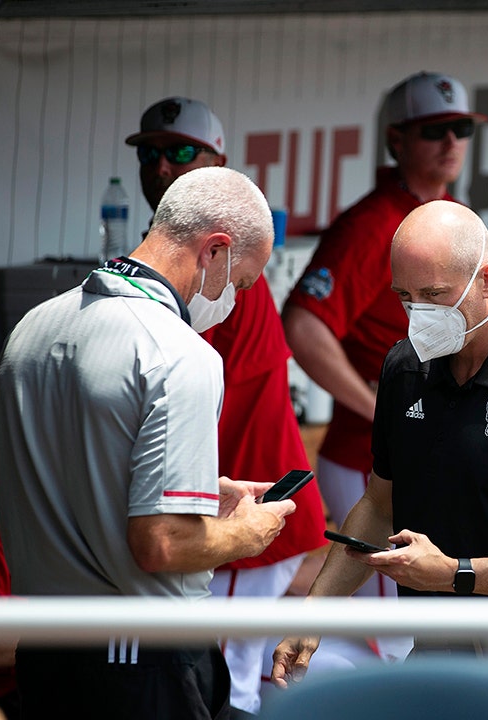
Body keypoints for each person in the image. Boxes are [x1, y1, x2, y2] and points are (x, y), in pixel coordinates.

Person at [270, 200, 488, 685]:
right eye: (404, 296)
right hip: (432, 646)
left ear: (487, 280)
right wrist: (313, 615)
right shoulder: (405, 368)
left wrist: (457, 573)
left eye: (434, 295)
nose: (418, 313)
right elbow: (379, 504)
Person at [0, 166, 297, 720]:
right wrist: (246, 533)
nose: (235, 299)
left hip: (43, 648)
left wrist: (198, 494)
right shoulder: (180, 353)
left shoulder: (31, 328)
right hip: (142, 654)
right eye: (243, 284)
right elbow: (161, 544)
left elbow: (40, 484)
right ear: (215, 251)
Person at [125, 96, 328, 718]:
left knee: (228, 684)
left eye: (182, 151)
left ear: (217, 163)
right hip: (223, 506)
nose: (164, 165)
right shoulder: (169, 263)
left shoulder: (223, 274)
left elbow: (199, 412)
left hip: (243, 504)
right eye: (152, 153)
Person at [281, 70, 485, 662]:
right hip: (367, 461)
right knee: (394, 636)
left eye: (461, 128)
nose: (451, 142)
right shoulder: (375, 223)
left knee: (411, 628)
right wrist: (377, 406)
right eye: (433, 131)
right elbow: (304, 324)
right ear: (397, 139)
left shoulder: (446, 214)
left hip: (429, 448)